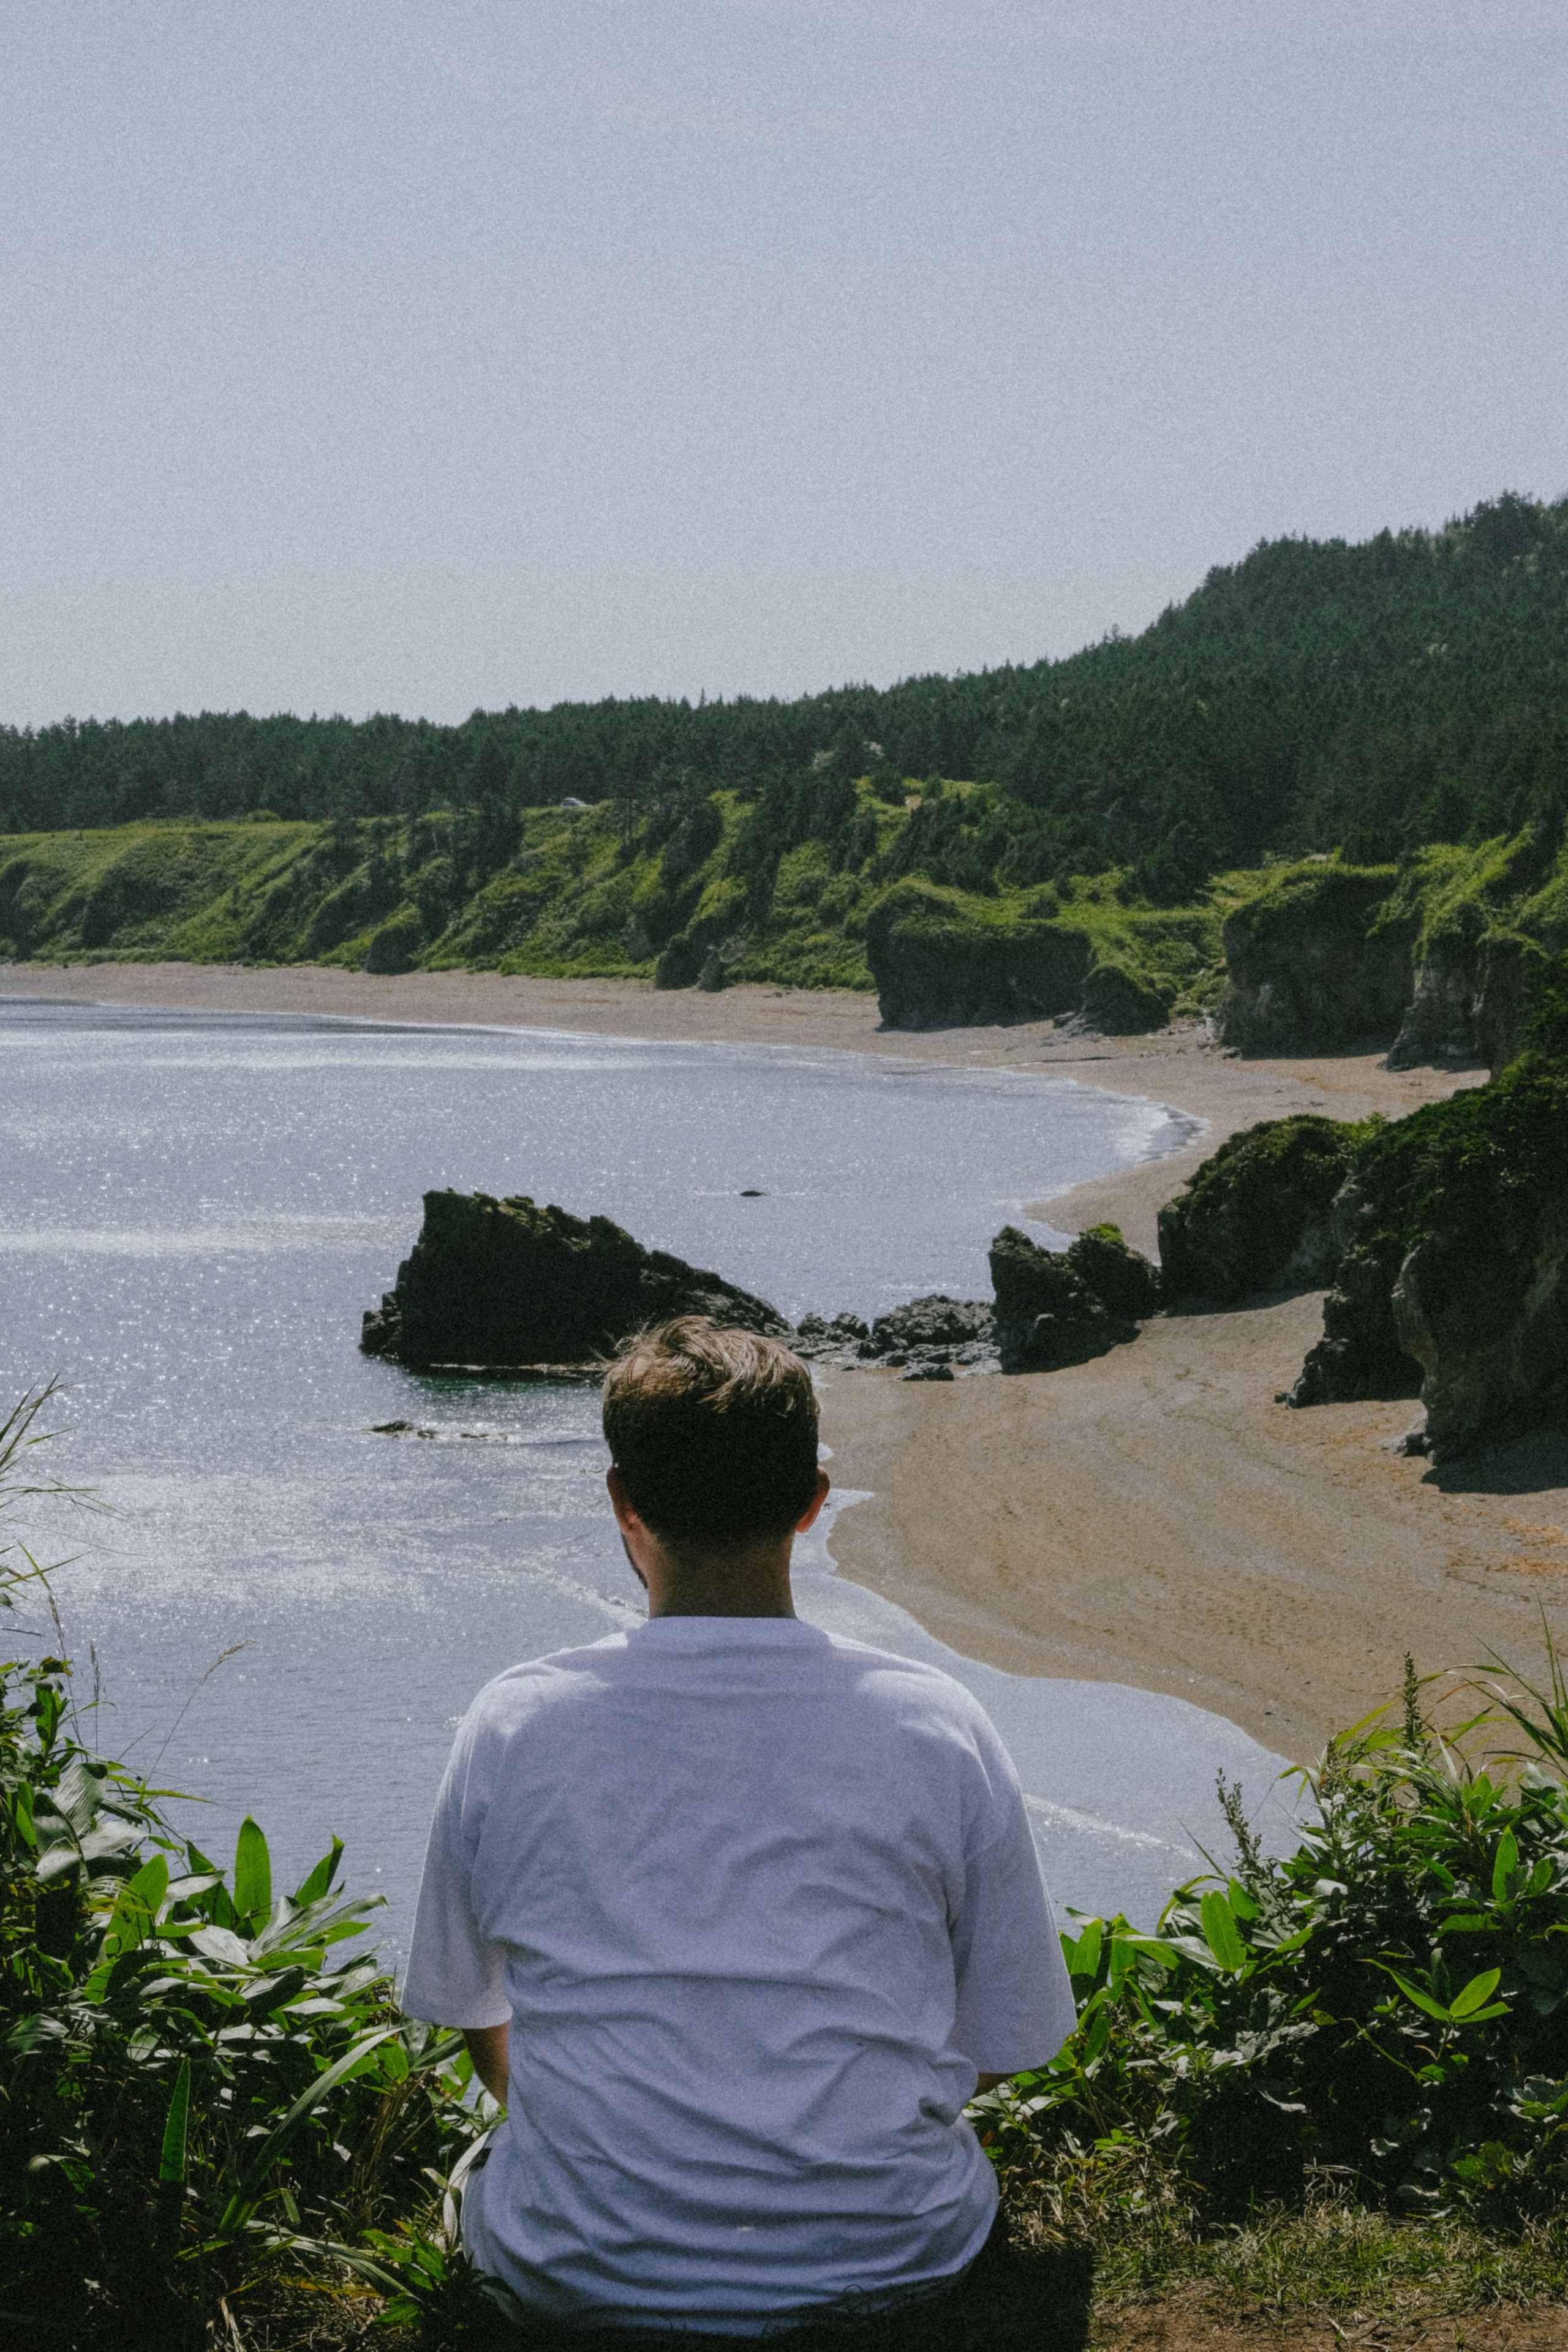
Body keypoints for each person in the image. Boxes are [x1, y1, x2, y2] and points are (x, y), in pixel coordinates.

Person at [401, 1317, 1076, 2336]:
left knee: (479, 2179)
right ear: (813, 1500)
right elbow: (1014, 2034)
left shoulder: (515, 1723)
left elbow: (469, 2010)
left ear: (622, 1502)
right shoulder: (933, 1723)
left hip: (578, 2269)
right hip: (892, 2256)